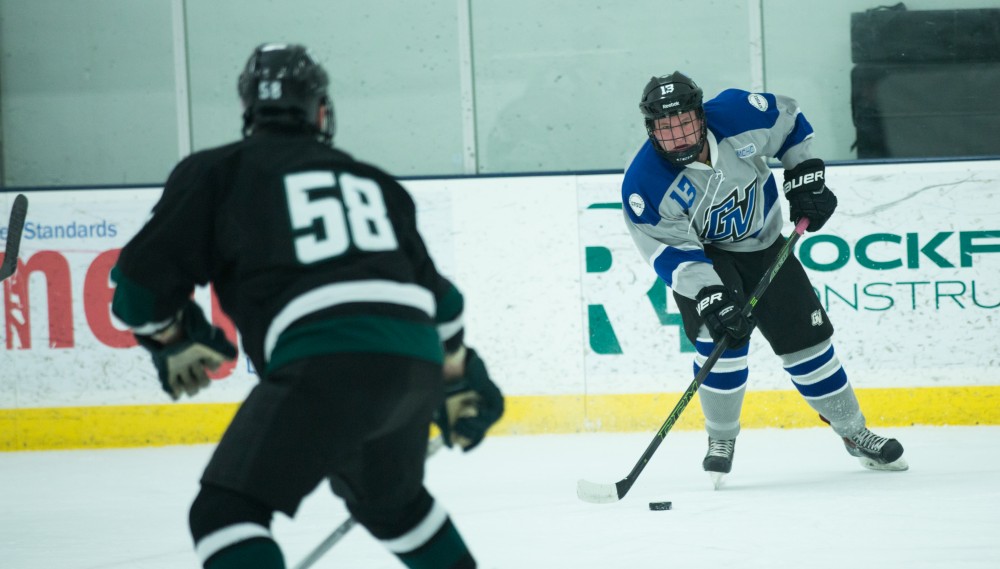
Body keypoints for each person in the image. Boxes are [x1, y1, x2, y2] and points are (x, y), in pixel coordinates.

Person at [110, 43, 503, 569]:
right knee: (394, 506)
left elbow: (137, 291)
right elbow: (445, 305)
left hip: (323, 360)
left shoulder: (218, 171)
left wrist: (170, 338)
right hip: (415, 365)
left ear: (250, 109)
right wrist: (456, 379)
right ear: (320, 110)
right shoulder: (375, 182)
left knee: (225, 514)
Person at [620, 71, 907, 488]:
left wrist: (804, 174)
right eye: (665, 128)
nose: (678, 136)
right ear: (651, 130)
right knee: (722, 340)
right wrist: (710, 297)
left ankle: (853, 430)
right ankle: (721, 440)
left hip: (764, 242)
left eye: (684, 122)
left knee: (808, 344)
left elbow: (790, 123)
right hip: (706, 257)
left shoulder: (738, 115)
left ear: (701, 116)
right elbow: (668, 251)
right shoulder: (645, 181)